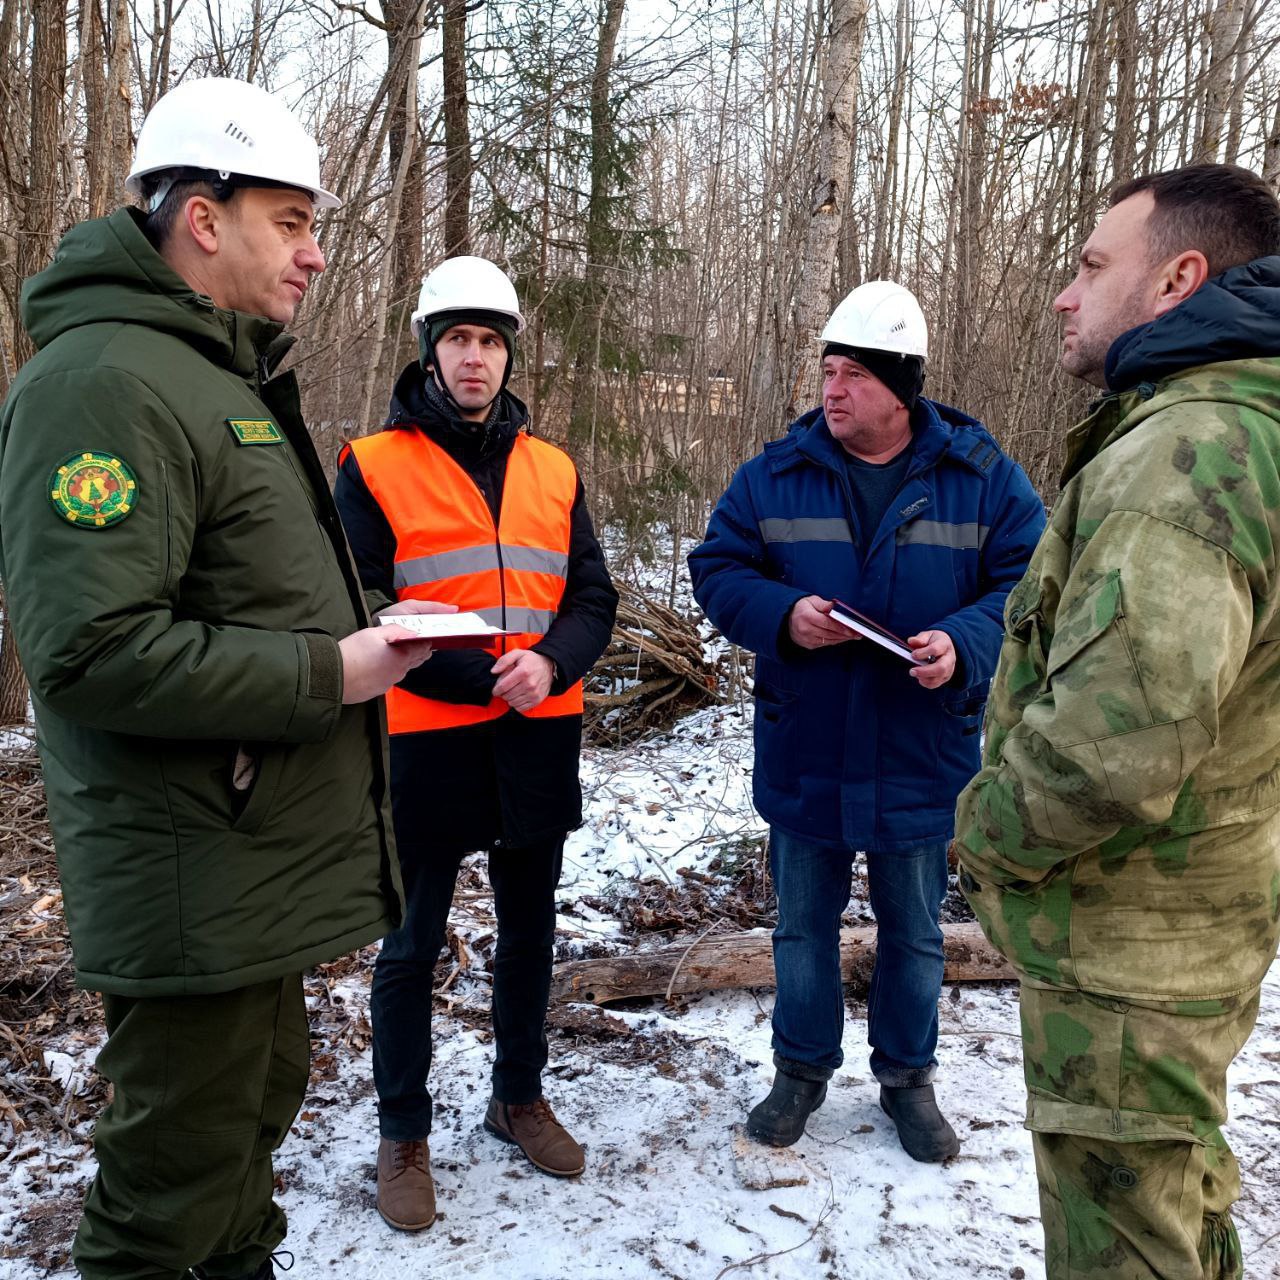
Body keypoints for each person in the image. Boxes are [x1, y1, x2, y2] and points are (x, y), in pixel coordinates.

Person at [0, 77, 451, 1280]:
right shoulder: (103, 383)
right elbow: (88, 651)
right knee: (170, 1195)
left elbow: (227, 589)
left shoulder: (216, 372)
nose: (312, 253)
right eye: (291, 222)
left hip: (247, 864)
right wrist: (333, 668)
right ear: (203, 218)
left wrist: (364, 635)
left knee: (244, 1140)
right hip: (189, 873)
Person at [953, 164, 1280, 1279]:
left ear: (1175, 280)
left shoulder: (1183, 456)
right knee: (1178, 1200)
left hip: (1131, 948)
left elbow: (1112, 743)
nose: (1061, 293)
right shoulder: (1247, 426)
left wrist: (983, 837)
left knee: (1126, 1242)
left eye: (1092, 265)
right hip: (1195, 915)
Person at [688, 281, 1043, 1160]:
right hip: (808, 744)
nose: (832, 389)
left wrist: (965, 642)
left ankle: (908, 1080)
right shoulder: (776, 472)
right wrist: (781, 617)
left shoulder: (981, 479)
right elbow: (719, 567)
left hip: (921, 748)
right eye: (827, 371)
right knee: (803, 927)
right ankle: (800, 1072)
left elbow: (1031, 584)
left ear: (900, 387)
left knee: (915, 932)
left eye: (852, 374)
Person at [335, 255, 618, 1231]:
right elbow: (360, 603)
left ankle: (516, 1095)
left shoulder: (554, 468)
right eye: (457, 338)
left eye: (490, 340)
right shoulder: (372, 464)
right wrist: (475, 674)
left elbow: (592, 598)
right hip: (424, 741)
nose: (474, 358)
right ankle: (402, 1131)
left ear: (507, 354)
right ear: (429, 349)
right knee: (409, 945)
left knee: (528, 933)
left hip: (537, 733)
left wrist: (545, 665)